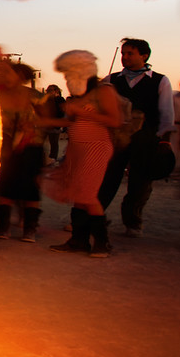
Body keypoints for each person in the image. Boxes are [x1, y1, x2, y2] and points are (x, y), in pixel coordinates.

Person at [44, 50, 121, 257]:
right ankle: (78, 240)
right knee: (78, 194)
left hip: (96, 147)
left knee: (87, 194)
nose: (68, 76)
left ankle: (102, 243)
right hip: (77, 148)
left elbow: (115, 121)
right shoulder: (79, 95)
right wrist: (44, 122)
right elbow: (71, 122)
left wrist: (85, 113)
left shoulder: (104, 91)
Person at [97, 38, 175, 236]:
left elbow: (166, 113)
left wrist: (164, 140)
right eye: (123, 54)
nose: (125, 57)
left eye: (130, 53)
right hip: (115, 140)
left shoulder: (159, 80)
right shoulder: (110, 80)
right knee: (106, 178)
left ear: (144, 55)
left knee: (140, 182)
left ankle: (132, 221)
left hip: (145, 138)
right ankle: (95, 217)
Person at [0, 61, 46, 242]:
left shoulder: (35, 97)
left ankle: (30, 229)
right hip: (6, 147)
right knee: (4, 186)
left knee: (30, 188)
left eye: (9, 73)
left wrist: (32, 125)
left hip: (32, 147)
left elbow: (53, 120)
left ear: (21, 76)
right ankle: (3, 227)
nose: (4, 77)